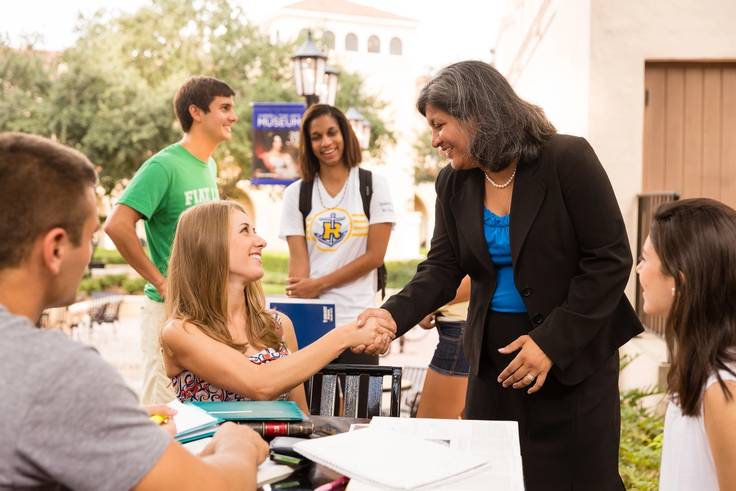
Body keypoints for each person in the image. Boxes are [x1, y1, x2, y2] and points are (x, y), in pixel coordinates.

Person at [357, 61, 643, 490]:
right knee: (493, 477)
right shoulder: (452, 184)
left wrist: (550, 343)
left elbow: (610, 259)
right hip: (494, 360)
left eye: (440, 125)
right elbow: (441, 268)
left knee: (578, 479)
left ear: (476, 113)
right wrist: (391, 316)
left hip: (573, 353)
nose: (435, 140)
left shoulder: (568, 159)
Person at [0, 132, 268, 490]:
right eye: (92, 236)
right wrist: (238, 444)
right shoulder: (57, 375)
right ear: (56, 248)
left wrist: (110, 423)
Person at [160, 200, 394, 410]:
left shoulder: (277, 326)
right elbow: (260, 384)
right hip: (212, 457)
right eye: (245, 231)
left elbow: (300, 416)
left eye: (255, 231)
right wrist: (347, 335)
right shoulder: (180, 332)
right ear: (209, 245)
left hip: (278, 456)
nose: (261, 242)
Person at [105, 76, 236, 405]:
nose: (233, 117)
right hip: (168, 310)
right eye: (225, 108)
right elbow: (117, 225)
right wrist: (161, 282)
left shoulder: (209, 166)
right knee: (163, 409)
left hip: (204, 310)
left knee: (200, 410)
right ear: (196, 112)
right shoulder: (163, 166)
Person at [280, 104, 395, 366]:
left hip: (361, 320)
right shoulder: (296, 194)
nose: (326, 142)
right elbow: (299, 271)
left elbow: (375, 256)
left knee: (361, 405)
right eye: (316, 137)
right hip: (314, 325)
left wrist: (319, 284)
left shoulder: (373, 185)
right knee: (315, 405)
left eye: (332, 132)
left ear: (345, 134)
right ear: (308, 144)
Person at [635, 198, 736, 491]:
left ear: (680, 281)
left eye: (644, 258)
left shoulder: (722, 389)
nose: (638, 270)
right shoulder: (701, 367)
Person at [415, 276, 470, 419]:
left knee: (429, 427)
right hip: (460, 326)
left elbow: (479, 276)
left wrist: (428, 304)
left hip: (459, 329)